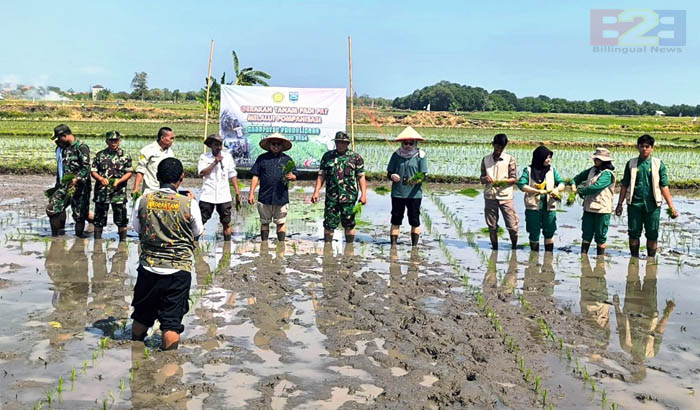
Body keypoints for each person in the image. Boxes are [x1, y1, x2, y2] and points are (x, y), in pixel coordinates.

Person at [130, 158, 203, 350]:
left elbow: (137, 227)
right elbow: (197, 232)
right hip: (178, 270)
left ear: (157, 177)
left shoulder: (143, 200)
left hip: (148, 267)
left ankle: (135, 351)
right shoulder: (189, 203)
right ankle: (169, 364)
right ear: (181, 178)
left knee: (141, 315)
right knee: (171, 322)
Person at [615, 134, 678, 258]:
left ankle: (651, 260)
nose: (644, 149)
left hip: (653, 205)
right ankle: (634, 259)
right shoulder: (631, 164)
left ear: (652, 148)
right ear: (638, 147)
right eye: (642, 146)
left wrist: (671, 206)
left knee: (652, 233)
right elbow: (624, 185)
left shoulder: (658, 164)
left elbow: (664, 186)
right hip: (634, 204)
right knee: (633, 233)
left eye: (647, 146)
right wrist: (619, 204)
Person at [311, 131, 368, 242]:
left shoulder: (356, 158)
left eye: (343, 143)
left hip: (349, 197)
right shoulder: (327, 157)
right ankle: (327, 249)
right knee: (329, 223)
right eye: (338, 142)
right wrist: (316, 191)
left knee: (349, 224)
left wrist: (364, 194)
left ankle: (349, 249)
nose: (340, 145)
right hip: (331, 197)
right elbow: (321, 175)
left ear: (347, 144)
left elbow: (361, 177)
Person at [247, 133, 297, 242]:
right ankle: (264, 245)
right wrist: (251, 193)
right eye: (273, 144)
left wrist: (292, 177)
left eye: (278, 144)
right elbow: (255, 176)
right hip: (265, 196)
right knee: (264, 222)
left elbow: (294, 175)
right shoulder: (262, 159)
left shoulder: (287, 160)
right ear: (269, 145)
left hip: (281, 197)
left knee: (281, 222)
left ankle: (281, 246)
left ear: (282, 146)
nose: (276, 146)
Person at [517, 145, 565, 252]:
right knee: (534, 232)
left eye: (549, 157)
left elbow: (561, 183)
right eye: (546, 157)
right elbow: (521, 184)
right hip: (533, 207)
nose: (549, 160)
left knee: (549, 231)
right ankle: (534, 258)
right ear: (540, 158)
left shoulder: (552, 170)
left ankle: (549, 258)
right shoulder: (529, 171)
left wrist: (557, 190)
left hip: (549, 207)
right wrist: (536, 191)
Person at [46, 124, 92, 237]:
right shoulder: (62, 148)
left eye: (58, 138)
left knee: (79, 215)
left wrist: (76, 179)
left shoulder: (81, 147)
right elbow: (61, 168)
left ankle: (79, 239)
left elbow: (86, 167)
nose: (57, 141)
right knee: (52, 209)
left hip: (80, 187)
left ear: (65, 135)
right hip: (63, 186)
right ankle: (57, 236)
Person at [386, 126, 428, 246]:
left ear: (415, 143)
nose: (408, 146)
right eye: (406, 143)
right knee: (396, 219)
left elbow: (423, 174)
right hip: (398, 193)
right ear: (402, 143)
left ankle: (414, 246)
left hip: (414, 194)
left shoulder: (420, 156)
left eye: (411, 143)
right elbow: (389, 173)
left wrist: (417, 180)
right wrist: (392, 176)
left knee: (414, 220)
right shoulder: (396, 155)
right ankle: (393, 246)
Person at [571, 148, 616, 255]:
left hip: (602, 209)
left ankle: (600, 261)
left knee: (600, 236)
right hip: (589, 207)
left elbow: (596, 187)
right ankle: (584, 257)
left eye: (598, 159)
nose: (595, 160)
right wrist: (573, 184)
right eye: (595, 158)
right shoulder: (592, 170)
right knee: (586, 234)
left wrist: (580, 191)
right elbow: (577, 178)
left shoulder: (607, 174)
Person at [198, 133, 241, 241]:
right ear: (211, 145)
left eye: (220, 145)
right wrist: (214, 163)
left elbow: (232, 175)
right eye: (216, 144)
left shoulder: (227, 157)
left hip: (224, 195)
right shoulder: (204, 157)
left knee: (226, 222)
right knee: (200, 221)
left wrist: (237, 192)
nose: (218, 147)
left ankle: (227, 247)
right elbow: (202, 173)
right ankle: (194, 243)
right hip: (208, 194)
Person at [90, 131, 133, 241]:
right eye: (111, 140)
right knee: (99, 220)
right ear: (106, 141)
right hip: (102, 193)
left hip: (118, 192)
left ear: (119, 141)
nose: (113, 143)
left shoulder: (125, 155)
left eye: (115, 140)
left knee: (121, 219)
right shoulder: (100, 155)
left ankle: (123, 243)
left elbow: (129, 172)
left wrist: (119, 181)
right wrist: (100, 179)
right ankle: (97, 244)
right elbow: (93, 171)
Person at [480, 133, 519, 250]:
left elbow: (513, 178)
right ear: (493, 145)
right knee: (492, 226)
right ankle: (495, 249)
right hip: (490, 196)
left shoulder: (510, 159)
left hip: (505, 196)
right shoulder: (486, 160)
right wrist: (485, 179)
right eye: (497, 147)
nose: (498, 150)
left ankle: (514, 248)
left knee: (512, 226)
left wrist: (502, 182)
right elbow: (481, 178)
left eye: (501, 148)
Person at [132, 127, 175, 196]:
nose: (172, 141)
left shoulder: (170, 152)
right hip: (150, 190)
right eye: (171, 138)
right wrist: (135, 188)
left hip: (166, 191)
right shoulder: (148, 150)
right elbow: (140, 170)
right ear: (162, 138)